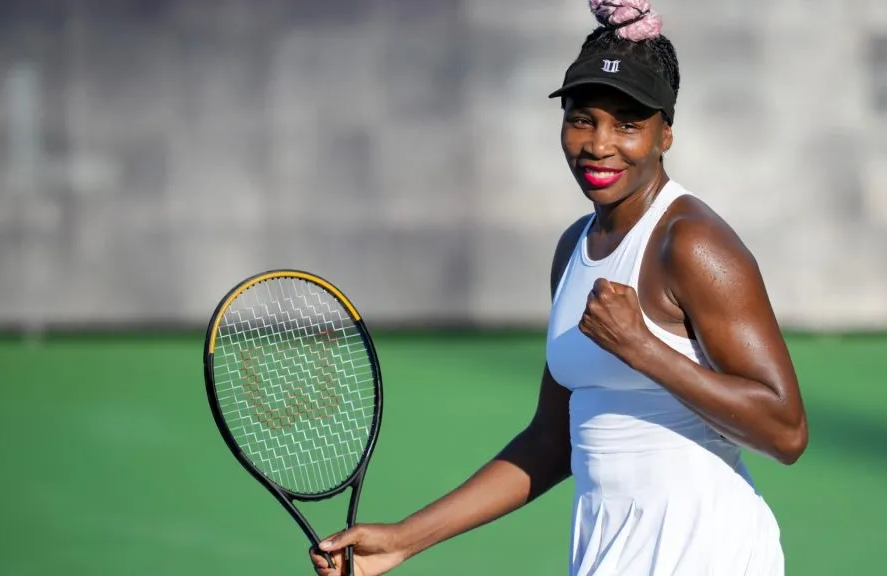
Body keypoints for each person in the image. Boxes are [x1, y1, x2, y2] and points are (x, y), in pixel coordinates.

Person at [311, 1, 808, 574]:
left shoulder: (692, 243)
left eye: (628, 123)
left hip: (705, 554)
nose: (599, 144)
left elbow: (786, 430)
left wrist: (643, 349)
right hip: (606, 554)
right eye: (581, 118)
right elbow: (552, 439)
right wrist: (403, 540)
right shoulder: (573, 248)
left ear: (665, 133)